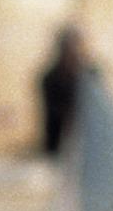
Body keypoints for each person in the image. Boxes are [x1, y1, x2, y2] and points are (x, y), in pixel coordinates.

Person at [38, 25, 89, 158]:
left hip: (86, 147)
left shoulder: (89, 76)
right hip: (59, 147)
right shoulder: (50, 78)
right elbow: (57, 113)